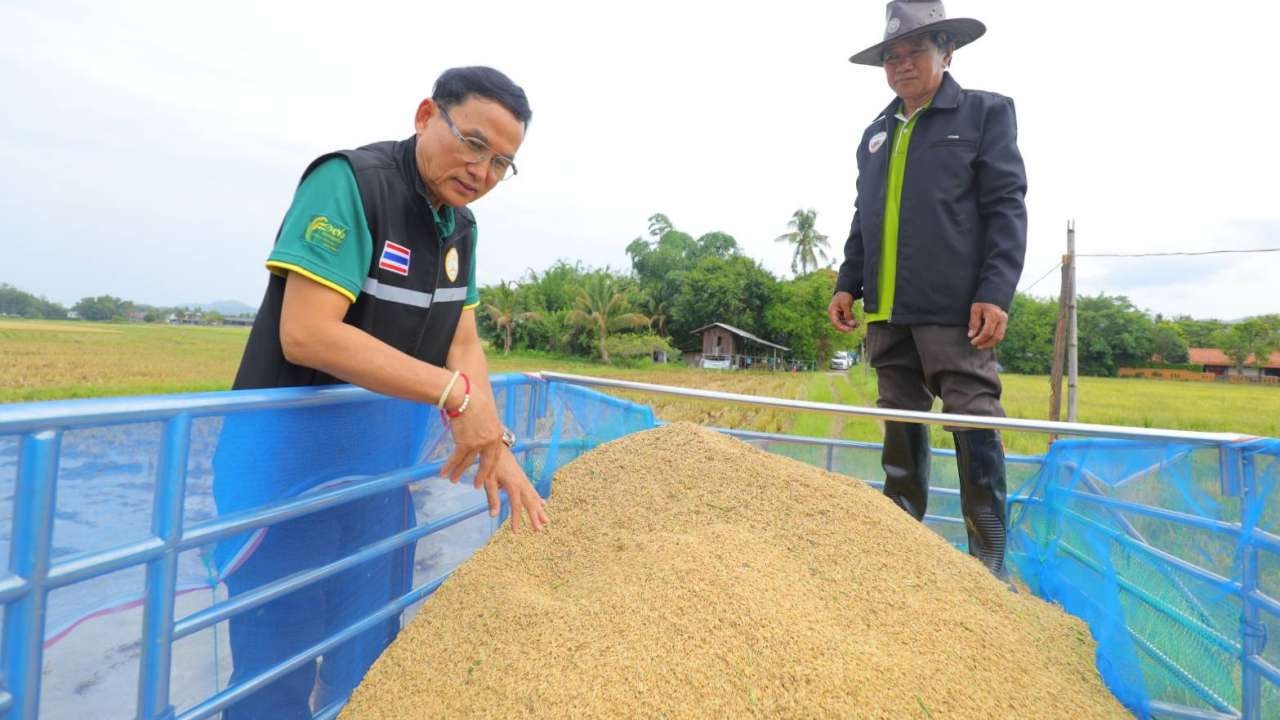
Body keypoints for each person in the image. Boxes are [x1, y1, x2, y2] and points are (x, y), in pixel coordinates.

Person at [215, 66, 549, 719]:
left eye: (503, 162)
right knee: (276, 668)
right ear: (427, 114)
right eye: (474, 143)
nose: (482, 171)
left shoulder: (460, 228)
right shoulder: (350, 184)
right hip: (290, 485)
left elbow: (461, 342)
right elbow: (307, 334)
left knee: (372, 653)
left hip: (377, 481)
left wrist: (493, 441)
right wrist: (455, 397)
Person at [827, 1, 1027, 577]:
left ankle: (987, 562)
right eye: (891, 55)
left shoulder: (984, 114)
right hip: (887, 309)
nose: (901, 64)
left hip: (955, 307)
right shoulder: (875, 134)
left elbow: (1005, 206)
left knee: (972, 411)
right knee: (900, 417)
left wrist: (995, 291)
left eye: (915, 50)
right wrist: (848, 282)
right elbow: (865, 216)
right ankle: (900, 551)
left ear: (948, 51)